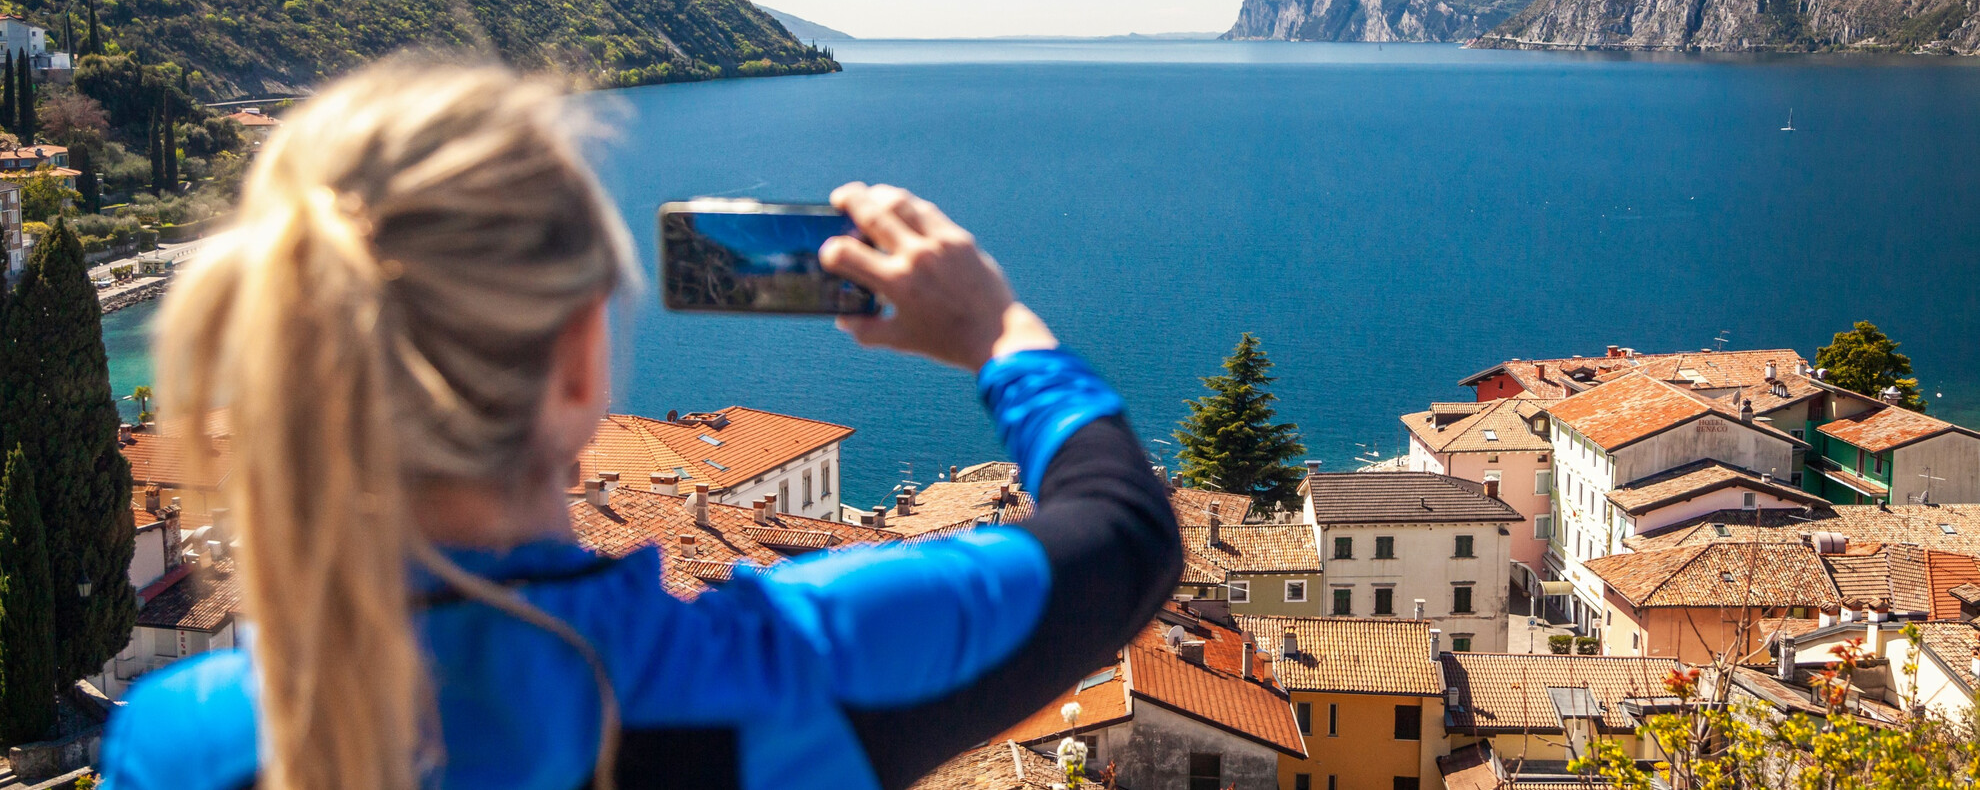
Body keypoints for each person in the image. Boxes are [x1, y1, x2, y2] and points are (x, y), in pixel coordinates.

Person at [98, 62, 1182, 790]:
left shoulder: (177, 745)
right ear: (577, 369)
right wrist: (1000, 331)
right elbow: (1126, 536)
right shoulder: (785, 674)